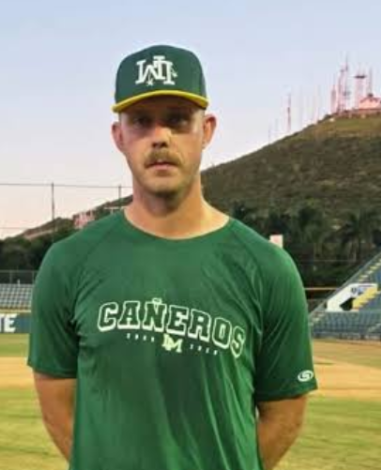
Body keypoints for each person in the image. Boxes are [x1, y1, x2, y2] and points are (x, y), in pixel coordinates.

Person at [29, 44, 317, 470]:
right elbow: (57, 405)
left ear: (207, 130)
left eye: (179, 120)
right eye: (141, 121)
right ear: (119, 136)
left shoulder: (268, 268)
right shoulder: (68, 263)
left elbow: (285, 414)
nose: (160, 136)